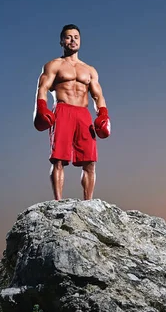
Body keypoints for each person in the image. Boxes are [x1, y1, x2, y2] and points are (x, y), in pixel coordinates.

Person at [34, 24, 110, 200]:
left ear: (80, 40)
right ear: (62, 41)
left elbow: (98, 96)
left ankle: (88, 202)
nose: (72, 40)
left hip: (83, 114)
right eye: (68, 37)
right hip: (63, 111)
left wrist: (103, 114)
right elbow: (43, 87)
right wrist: (41, 107)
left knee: (90, 162)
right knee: (58, 159)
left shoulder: (89, 70)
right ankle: (58, 201)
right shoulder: (54, 65)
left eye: (76, 37)